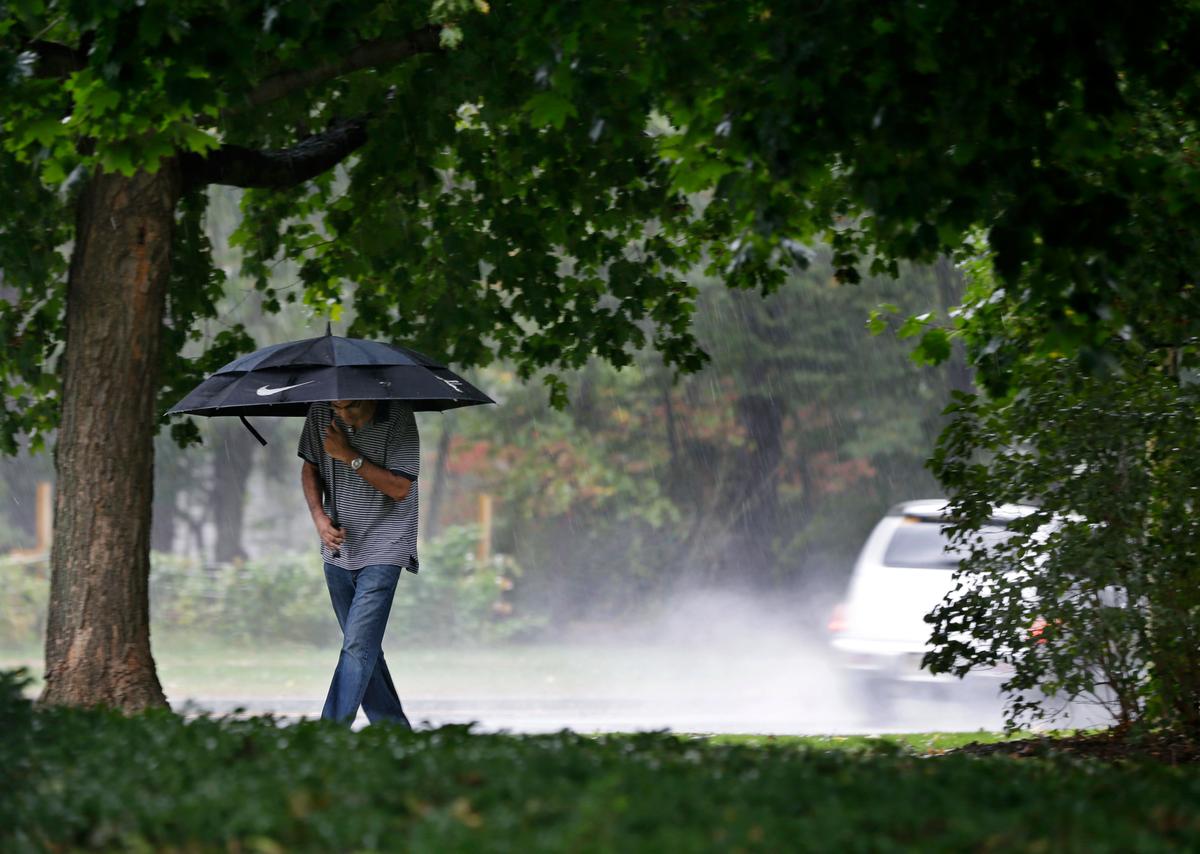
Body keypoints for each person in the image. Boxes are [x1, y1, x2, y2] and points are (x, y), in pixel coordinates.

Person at [298, 398, 420, 728]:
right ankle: (395, 734)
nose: (342, 415)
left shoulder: (398, 415)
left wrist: (348, 455)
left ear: (368, 396)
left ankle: (327, 736)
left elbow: (400, 488)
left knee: (357, 646)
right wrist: (319, 517)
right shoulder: (321, 410)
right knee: (364, 649)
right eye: (336, 409)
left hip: (386, 546)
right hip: (338, 547)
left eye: (350, 408)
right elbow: (310, 467)